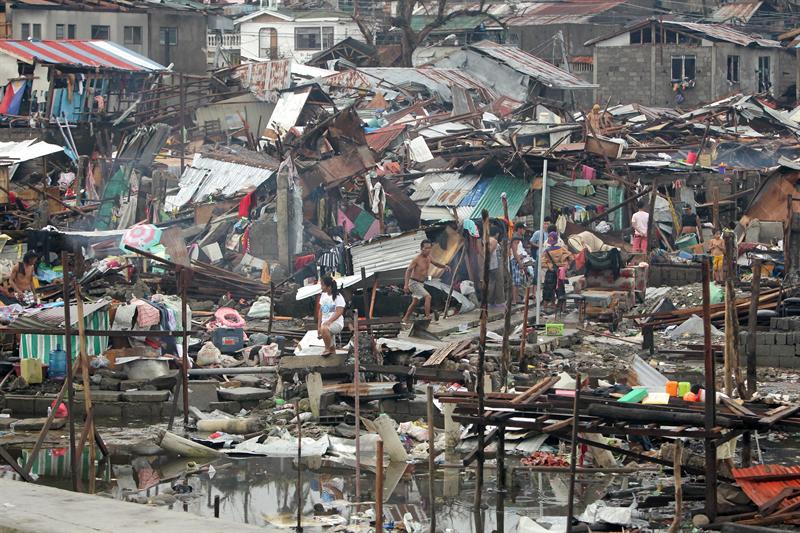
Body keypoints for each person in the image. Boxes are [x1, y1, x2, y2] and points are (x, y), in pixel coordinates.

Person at [402, 240, 450, 325]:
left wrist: (444, 266)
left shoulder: (429, 257)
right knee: (428, 297)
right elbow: (408, 271)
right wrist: (406, 285)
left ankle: (405, 319)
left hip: (421, 283)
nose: (428, 250)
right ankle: (427, 318)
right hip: (414, 283)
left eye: (429, 248)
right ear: (421, 249)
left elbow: (436, 263)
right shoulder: (417, 259)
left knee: (414, 303)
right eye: (426, 248)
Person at [317, 276, 346, 356]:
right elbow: (320, 311)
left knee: (324, 328)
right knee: (332, 350)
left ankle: (327, 349)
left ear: (329, 287)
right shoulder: (323, 295)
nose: (321, 287)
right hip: (325, 325)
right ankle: (333, 358)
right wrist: (318, 326)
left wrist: (329, 321)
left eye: (323, 285)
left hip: (336, 323)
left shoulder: (338, 296)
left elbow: (339, 311)